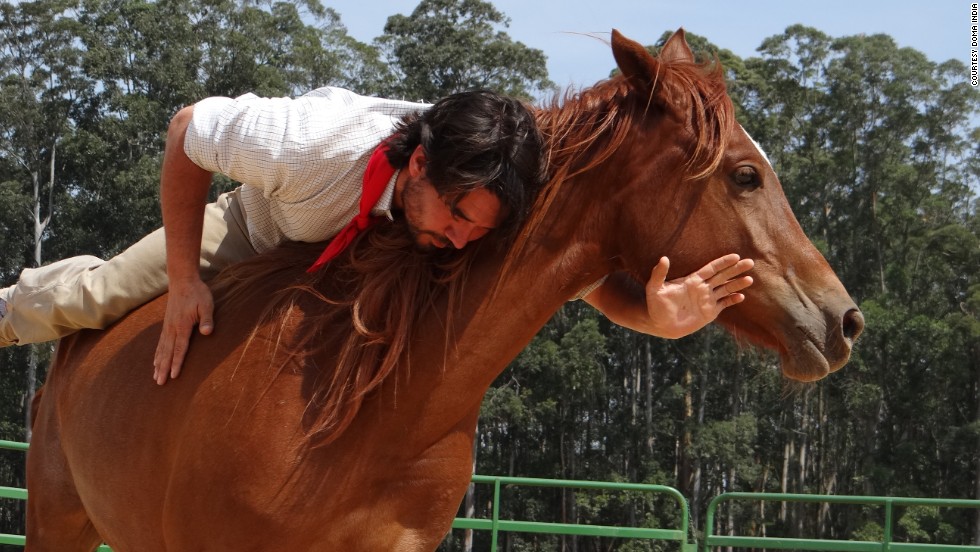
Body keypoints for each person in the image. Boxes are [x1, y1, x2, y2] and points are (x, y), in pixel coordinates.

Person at [0, 86, 754, 386]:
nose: (463, 240)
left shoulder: (478, 209)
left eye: (477, 230)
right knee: (105, 293)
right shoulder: (307, 143)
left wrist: (653, 317)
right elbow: (185, 131)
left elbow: (574, 278)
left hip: (374, 272)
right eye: (456, 219)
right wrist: (187, 282)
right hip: (264, 230)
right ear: (418, 164)